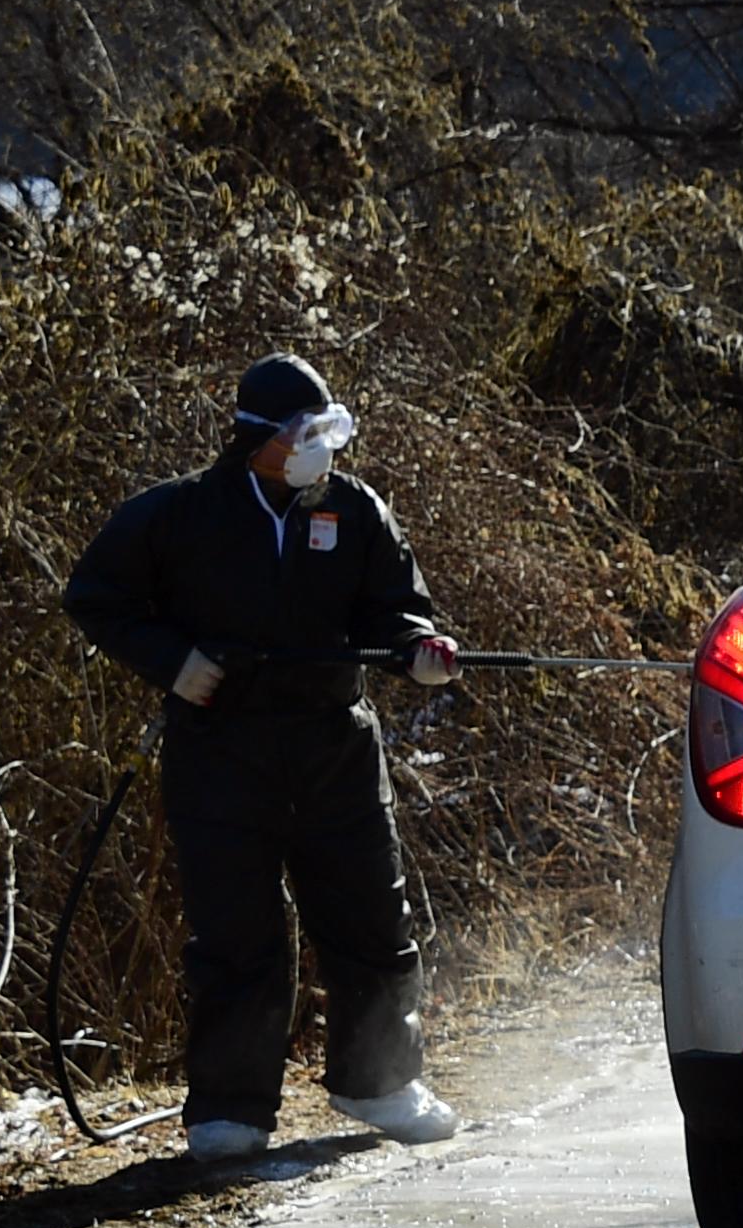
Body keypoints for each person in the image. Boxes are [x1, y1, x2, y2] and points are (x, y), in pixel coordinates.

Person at [63, 355, 465, 1162]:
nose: (322, 447)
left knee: (371, 918)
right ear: (260, 438)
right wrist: (174, 662)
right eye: (305, 433)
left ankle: (378, 1083)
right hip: (220, 753)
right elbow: (95, 597)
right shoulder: (179, 515)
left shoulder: (354, 511)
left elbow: (397, 609)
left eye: (328, 429)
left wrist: (417, 648)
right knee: (235, 933)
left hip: (334, 747)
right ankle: (232, 1109)